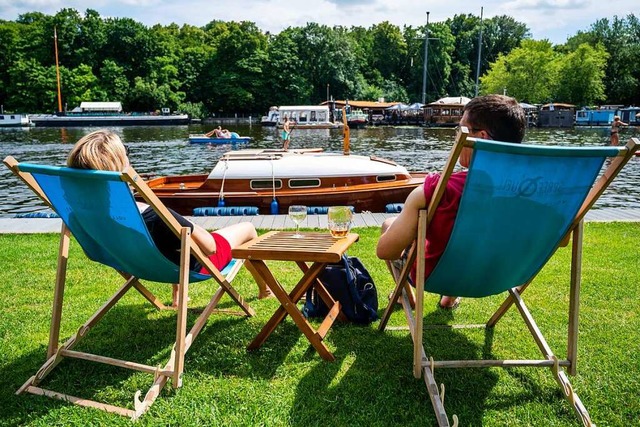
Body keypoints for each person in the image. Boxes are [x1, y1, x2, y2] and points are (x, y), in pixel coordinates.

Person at [66, 129, 271, 306]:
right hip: (195, 265)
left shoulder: (80, 216)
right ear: (120, 165)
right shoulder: (151, 215)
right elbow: (210, 248)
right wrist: (190, 226)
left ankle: (178, 295)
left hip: (140, 264)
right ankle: (265, 290)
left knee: (175, 238)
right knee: (248, 228)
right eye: (125, 152)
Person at [376, 95, 526, 310]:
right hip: (503, 275)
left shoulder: (438, 190)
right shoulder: (533, 189)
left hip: (439, 276)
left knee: (389, 225)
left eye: (460, 130)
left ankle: (406, 295)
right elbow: (562, 240)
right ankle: (450, 298)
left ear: (479, 138)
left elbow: (386, 251)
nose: (456, 137)